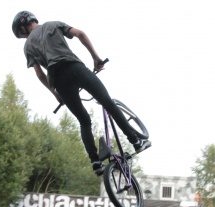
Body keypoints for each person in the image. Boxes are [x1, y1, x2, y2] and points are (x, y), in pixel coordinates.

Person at [12, 11, 151, 176]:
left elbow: (40, 74)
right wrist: (96, 58)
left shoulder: (27, 46)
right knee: (107, 103)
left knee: (84, 121)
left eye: (21, 35)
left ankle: (95, 162)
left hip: (58, 81)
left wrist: (55, 93)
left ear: (23, 28)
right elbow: (80, 34)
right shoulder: (52, 24)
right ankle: (136, 141)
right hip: (75, 68)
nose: (24, 38)